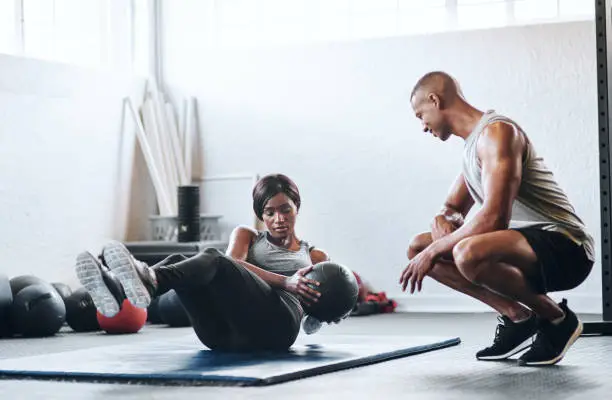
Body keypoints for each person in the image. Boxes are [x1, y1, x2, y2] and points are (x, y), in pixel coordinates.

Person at [400, 71, 595, 366]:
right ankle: (518, 317)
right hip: (522, 247)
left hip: (567, 246)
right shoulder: (472, 148)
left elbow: (494, 218)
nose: (423, 127)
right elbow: (451, 206)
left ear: (434, 100)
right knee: (416, 247)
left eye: (420, 115)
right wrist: (443, 218)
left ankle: (557, 319)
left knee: (465, 253)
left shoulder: (497, 134)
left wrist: (437, 248)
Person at [75, 173, 336, 352]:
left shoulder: (315, 256)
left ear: (297, 208)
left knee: (212, 256)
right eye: (270, 212)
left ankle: (149, 280)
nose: (279, 218)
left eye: (285, 209)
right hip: (222, 335)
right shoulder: (246, 236)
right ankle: (120, 290)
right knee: (181, 260)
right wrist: (285, 280)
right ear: (261, 216)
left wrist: (327, 310)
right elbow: (232, 265)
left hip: (277, 330)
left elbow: (320, 313)